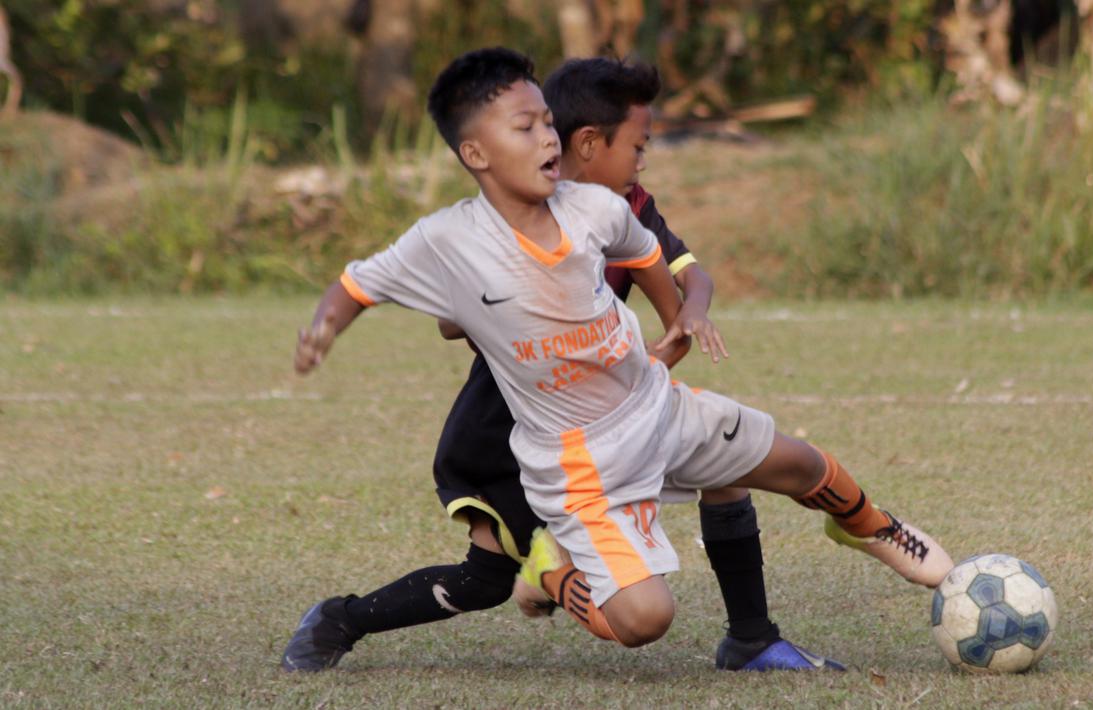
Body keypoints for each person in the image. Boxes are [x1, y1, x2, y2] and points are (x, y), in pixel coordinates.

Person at [285, 46, 953, 669]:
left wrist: (676, 321)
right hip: (564, 457)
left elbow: (647, 257)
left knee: (798, 463)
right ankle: (542, 573)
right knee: (618, 613)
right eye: (525, 127)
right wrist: (323, 328)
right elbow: (357, 285)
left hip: (654, 408)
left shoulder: (600, 208)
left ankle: (867, 535)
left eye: (546, 121)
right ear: (475, 153)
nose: (544, 136)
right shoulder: (445, 239)